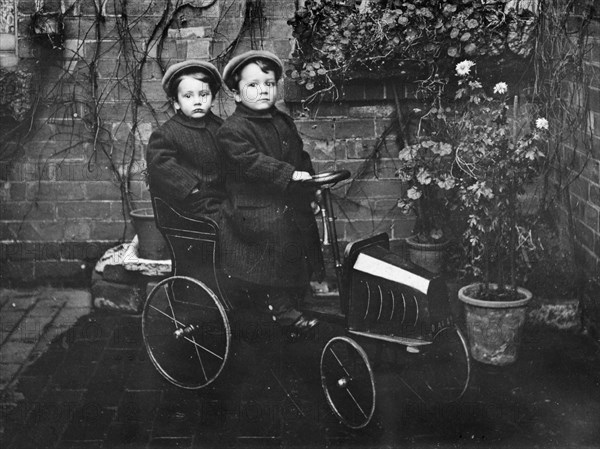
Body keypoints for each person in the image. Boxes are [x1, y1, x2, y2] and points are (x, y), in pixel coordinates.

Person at [218, 50, 324, 338]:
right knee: (278, 232)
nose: (263, 90)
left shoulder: (282, 121)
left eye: (269, 83)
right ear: (237, 95)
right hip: (250, 207)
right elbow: (250, 161)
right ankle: (281, 307)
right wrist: (288, 174)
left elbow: (299, 156)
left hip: (285, 199)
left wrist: (310, 187)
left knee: (303, 227)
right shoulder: (233, 130)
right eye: (252, 85)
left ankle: (300, 292)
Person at [146, 60, 225, 220]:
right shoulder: (167, 133)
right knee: (231, 223)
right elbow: (160, 164)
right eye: (188, 96)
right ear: (176, 102)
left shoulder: (220, 127)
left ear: (213, 99)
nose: (197, 101)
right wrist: (191, 188)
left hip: (223, 196)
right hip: (191, 204)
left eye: (203, 95)